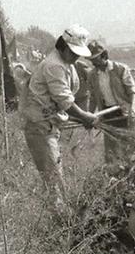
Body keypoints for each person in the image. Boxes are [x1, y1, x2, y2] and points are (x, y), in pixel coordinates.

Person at [20, 25, 99, 217]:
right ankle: (60, 222)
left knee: (55, 175)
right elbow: (64, 100)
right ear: (63, 46)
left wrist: (81, 115)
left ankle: (61, 217)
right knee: (53, 179)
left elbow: (65, 100)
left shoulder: (67, 65)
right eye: (73, 52)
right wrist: (85, 116)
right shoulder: (54, 65)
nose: (76, 57)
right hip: (40, 126)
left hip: (50, 125)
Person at [85, 41, 135, 163]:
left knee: (127, 145)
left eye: (95, 59)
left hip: (124, 112)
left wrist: (133, 108)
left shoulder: (120, 69)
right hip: (107, 113)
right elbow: (93, 97)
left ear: (104, 56)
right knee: (111, 149)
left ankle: (131, 169)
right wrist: (88, 115)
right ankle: (113, 172)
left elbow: (132, 91)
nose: (93, 63)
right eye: (91, 60)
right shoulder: (92, 75)